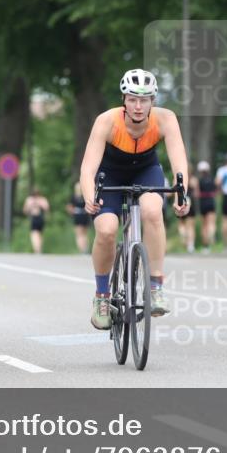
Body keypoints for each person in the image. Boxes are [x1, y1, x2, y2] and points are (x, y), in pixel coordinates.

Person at [80, 68, 190, 330]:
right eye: (132, 99)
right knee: (106, 229)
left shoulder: (166, 119)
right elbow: (87, 168)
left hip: (146, 170)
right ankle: (102, 297)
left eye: (144, 100)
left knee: (152, 210)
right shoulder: (106, 121)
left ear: (153, 101)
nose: (138, 106)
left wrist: (182, 192)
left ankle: (155, 287)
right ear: (124, 100)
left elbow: (178, 160)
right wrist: (88, 196)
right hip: (110, 175)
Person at [176, 164, 199, 253]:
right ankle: (191, 245)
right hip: (190, 202)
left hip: (180, 201)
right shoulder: (193, 179)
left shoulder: (178, 179)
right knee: (191, 226)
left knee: (181, 224)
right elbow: (196, 194)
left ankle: (183, 235)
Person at [196, 160, 217, 253]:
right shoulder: (212, 179)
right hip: (211, 202)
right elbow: (216, 191)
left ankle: (205, 246)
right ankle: (212, 239)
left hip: (203, 203)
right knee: (211, 223)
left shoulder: (199, 181)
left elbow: (197, 194)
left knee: (204, 225)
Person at [66, 182, 91, 254]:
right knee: (85, 233)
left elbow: (69, 207)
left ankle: (82, 249)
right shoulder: (85, 196)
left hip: (77, 216)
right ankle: (85, 248)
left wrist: (73, 212)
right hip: (85, 215)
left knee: (79, 234)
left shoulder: (73, 197)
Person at [23, 189, 50, 255]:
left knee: (35, 234)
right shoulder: (42, 199)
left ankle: (37, 249)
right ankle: (38, 249)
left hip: (36, 218)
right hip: (39, 218)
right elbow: (47, 209)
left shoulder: (30, 200)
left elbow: (25, 210)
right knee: (39, 234)